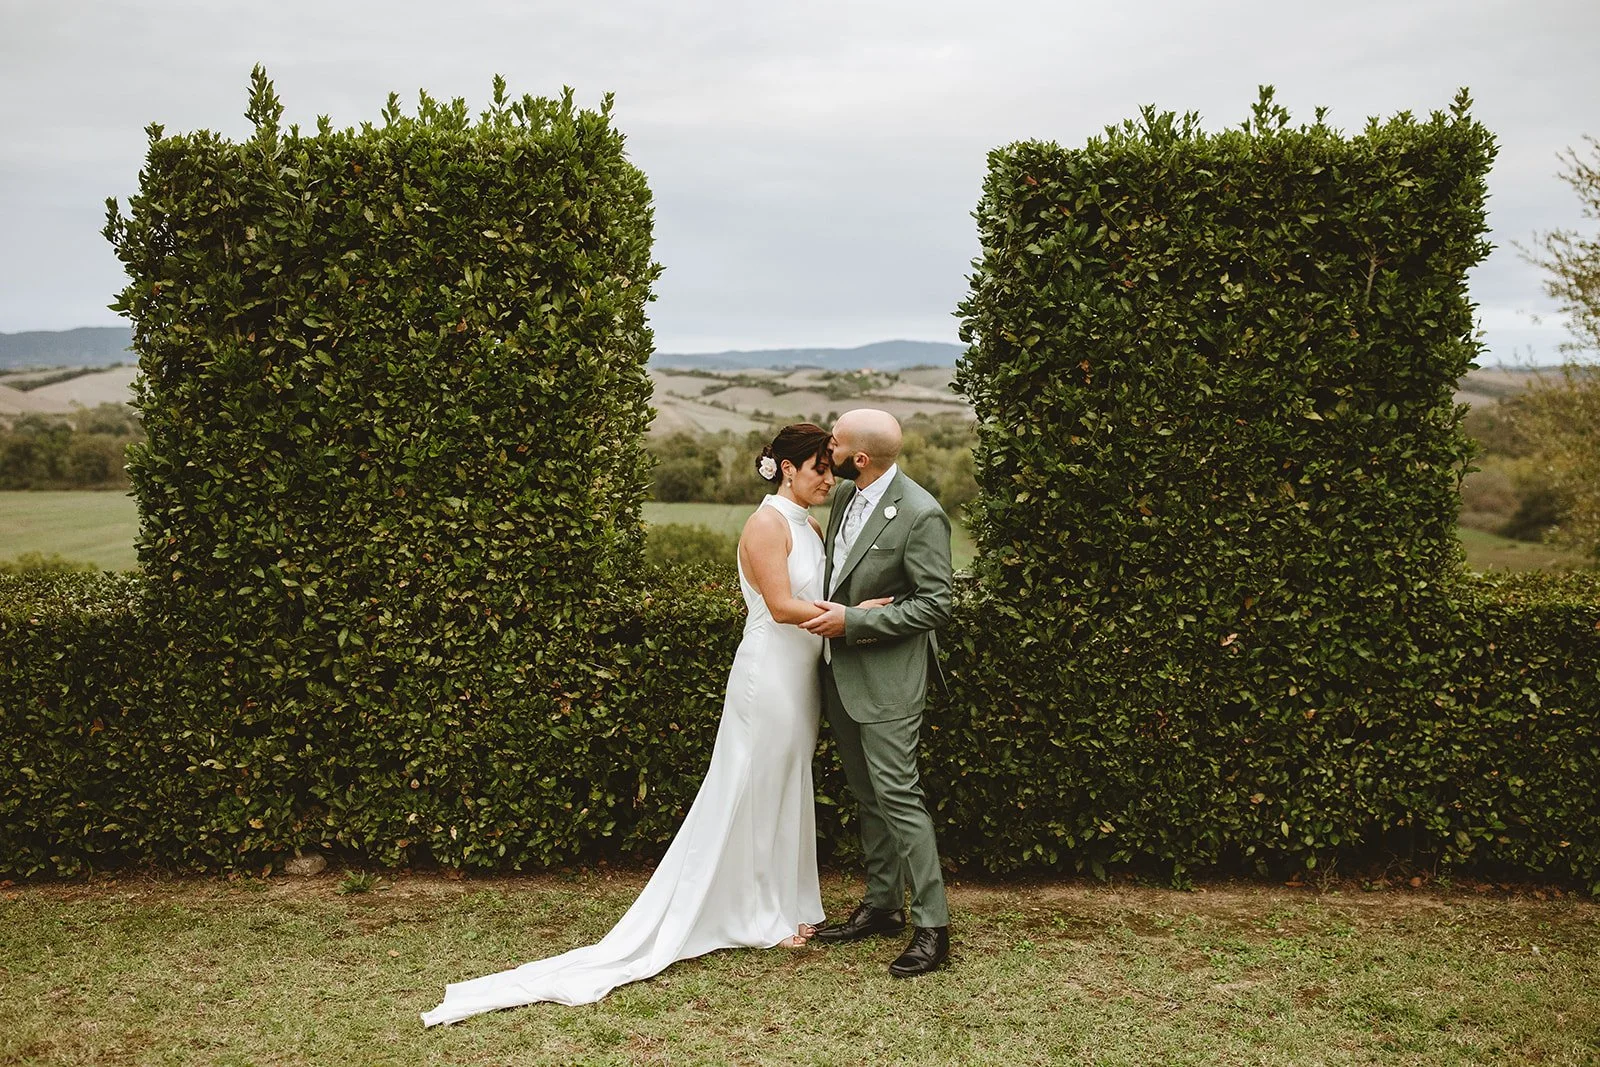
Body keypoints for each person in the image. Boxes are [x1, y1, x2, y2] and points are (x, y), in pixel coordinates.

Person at [421, 422, 888, 1027]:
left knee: (785, 780)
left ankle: (788, 902)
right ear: (788, 469)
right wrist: (853, 616)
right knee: (752, 784)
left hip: (801, 678)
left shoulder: (809, 524)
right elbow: (780, 606)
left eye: (832, 468)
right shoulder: (766, 525)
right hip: (769, 673)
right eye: (821, 468)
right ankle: (756, 915)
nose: (830, 479)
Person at [800, 408, 954, 978]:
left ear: (858, 459)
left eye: (833, 441)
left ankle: (932, 927)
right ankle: (883, 906)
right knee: (867, 795)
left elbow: (937, 604)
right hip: (838, 673)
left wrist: (856, 623)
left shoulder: (921, 514)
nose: (826, 446)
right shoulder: (843, 497)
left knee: (899, 796)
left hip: (888, 678)